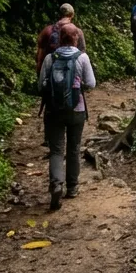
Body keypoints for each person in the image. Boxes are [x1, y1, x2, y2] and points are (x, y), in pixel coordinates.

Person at [38, 23, 95, 211]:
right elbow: (91, 83)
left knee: (56, 150)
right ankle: (72, 187)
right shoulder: (82, 57)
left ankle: (56, 185)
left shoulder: (49, 58)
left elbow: (41, 86)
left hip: (53, 111)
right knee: (74, 148)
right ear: (76, 38)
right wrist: (78, 87)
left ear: (59, 38)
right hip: (76, 110)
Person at [35, 3, 87, 73]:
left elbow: (40, 57)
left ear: (59, 14)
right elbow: (82, 54)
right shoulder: (78, 32)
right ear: (72, 15)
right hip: (70, 74)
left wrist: (40, 76)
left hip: (51, 74)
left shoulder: (47, 31)